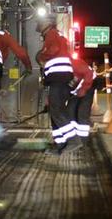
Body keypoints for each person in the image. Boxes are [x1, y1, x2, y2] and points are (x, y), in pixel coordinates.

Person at [36, 18, 82, 155]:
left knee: (57, 111)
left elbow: (53, 50)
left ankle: (73, 141)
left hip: (59, 78)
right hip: (60, 78)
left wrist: (40, 56)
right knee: (55, 111)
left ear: (46, 25)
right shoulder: (58, 35)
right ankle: (60, 143)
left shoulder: (51, 34)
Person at [67, 58, 96, 145]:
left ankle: (83, 140)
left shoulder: (72, 64)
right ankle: (74, 138)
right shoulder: (55, 69)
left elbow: (89, 74)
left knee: (82, 112)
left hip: (89, 83)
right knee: (70, 110)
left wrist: (83, 89)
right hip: (77, 88)